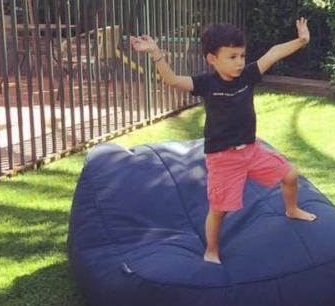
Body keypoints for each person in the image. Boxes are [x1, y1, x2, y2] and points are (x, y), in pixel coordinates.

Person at [131, 19, 316, 263]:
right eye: (232, 57)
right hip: (223, 158)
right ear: (212, 59)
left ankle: (291, 209)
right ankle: (211, 249)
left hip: (252, 150)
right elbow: (173, 80)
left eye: (241, 55)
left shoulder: (247, 75)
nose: (239, 62)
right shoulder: (206, 84)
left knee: (290, 175)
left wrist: (301, 41)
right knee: (219, 210)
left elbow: (273, 53)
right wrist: (156, 54)